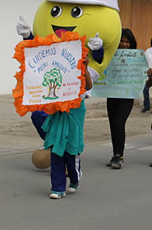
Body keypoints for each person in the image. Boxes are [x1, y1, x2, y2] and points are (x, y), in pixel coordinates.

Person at [44, 57, 93, 199]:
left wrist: (85, 68)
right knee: (56, 150)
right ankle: (57, 188)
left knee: (71, 153)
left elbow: (89, 86)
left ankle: (75, 178)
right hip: (57, 113)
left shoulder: (78, 69)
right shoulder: (54, 71)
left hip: (75, 112)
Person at [106, 29, 137, 169]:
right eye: (122, 41)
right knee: (113, 124)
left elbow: (139, 75)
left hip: (127, 95)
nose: (124, 44)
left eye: (127, 41)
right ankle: (115, 153)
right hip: (112, 94)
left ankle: (120, 155)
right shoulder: (110, 55)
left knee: (119, 123)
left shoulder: (136, 57)